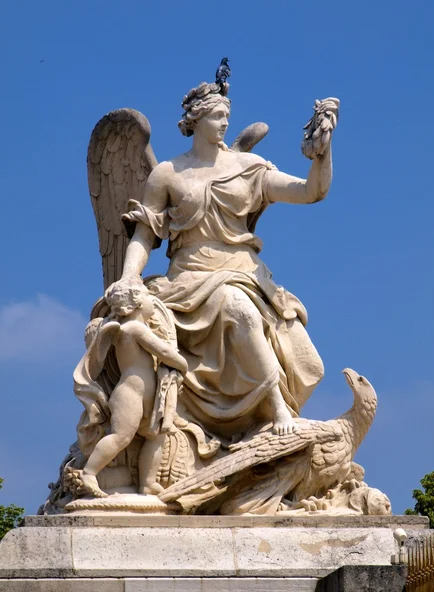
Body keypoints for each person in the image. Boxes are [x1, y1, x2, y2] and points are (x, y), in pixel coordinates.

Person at [119, 81, 333, 444]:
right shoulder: (168, 173)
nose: (224, 123)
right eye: (217, 115)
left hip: (245, 272)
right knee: (237, 306)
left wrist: (321, 155)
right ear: (195, 119)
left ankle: (264, 413)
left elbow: (311, 192)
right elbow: (144, 235)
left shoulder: (248, 167)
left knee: (308, 362)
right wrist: (127, 278)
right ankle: (278, 408)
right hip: (190, 278)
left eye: (227, 116)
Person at [77, 276, 188, 498]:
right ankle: (88, 473)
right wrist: (182, 364)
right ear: (137, 303)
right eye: (149, 298)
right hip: (130, 394)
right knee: (121, 437)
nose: (153, 304)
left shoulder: (130, 328)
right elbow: (164, 352)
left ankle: (147, 483)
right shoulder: (134, 329)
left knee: (155, 435)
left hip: (145, 396)